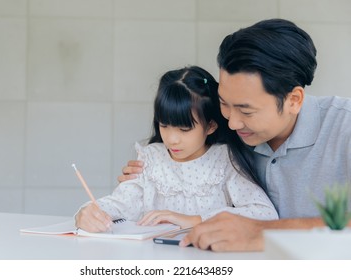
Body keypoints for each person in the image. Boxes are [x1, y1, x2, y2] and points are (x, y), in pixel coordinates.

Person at [119, 19, 351, 251]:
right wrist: (149, 176)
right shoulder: (221, 132)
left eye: (246, 110)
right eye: (223, 103)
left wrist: (261, 231)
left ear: (294, 100)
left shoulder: (344, 127)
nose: (231, 122)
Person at [75, 66, 278, 233]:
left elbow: (264, 213)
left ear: (210, 126)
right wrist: (87, 212)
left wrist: (193, 220)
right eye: (164, 125)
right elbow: (122, 203)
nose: (172, 139)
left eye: (184, 129)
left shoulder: (224, 160)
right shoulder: (151, 157)